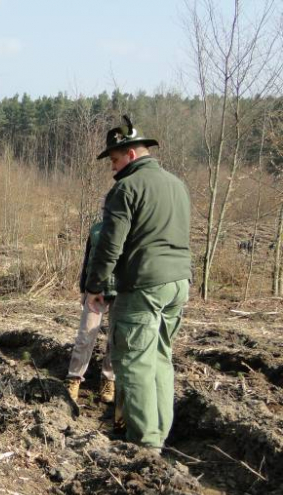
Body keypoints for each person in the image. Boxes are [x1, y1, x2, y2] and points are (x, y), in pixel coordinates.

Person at [85, 116, 191, 454]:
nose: (112, 168)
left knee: (133, 360)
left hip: (143, 284)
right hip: (178, 283)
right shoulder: (176, 184)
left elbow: (110, 245)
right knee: (159, 357)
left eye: (115, 160)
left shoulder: (126, 188)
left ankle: (144, 442)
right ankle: (158, 434)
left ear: (130, 154)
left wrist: (95, 285)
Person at [65, 221, 116, 405]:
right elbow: (88, 260)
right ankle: (74, 379)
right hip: (95, 291)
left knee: (116, 339)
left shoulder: (130, 229)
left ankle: (108, 380)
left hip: (121, 292)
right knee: (85, 335)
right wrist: (83, 289)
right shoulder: (95, 230)